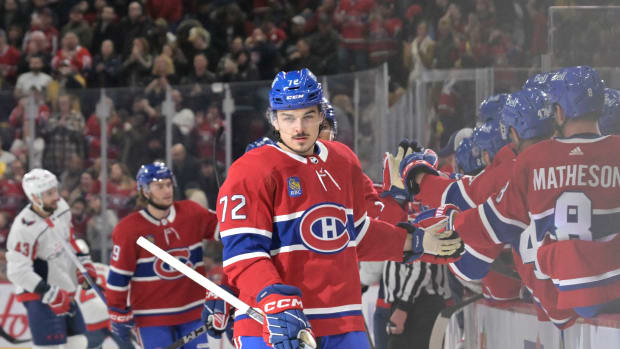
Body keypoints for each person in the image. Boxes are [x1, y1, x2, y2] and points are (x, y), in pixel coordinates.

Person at [217, 69, 462, 348]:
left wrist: (415, 240)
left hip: (344, 321)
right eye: (289, 117)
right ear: (274, 118)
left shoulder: (343, 160)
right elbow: (243, 252)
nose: (299, 128)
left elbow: (358, 234)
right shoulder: (251, 169)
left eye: (308, 116)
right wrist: (273, 297)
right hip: (274, 324)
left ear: (321, 114)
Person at [419, 66, 619, 325]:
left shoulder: (534, 160)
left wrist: (437, 228)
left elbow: (490, 223)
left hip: (571, 295)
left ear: (558, 111)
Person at [105, 162, 219, 349]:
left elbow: (227, 231)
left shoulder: (192, 213)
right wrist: (117, 311)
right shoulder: (128, 229)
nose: (167, 190)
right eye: (159, 186)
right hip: (151, 318)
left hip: (194, 312)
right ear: (145, 191)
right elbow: (118, 278)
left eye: (168, 184)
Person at [6, 168, 94, 349]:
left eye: (55, 190)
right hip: (39, 294)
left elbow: (70, 240)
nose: (56, 196)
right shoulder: (23, 227)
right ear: (36, 197)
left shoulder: (61, 207)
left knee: (78, 342)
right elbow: (17, 271)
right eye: (49, 193)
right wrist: (49, 292)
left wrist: (83, 265)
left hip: (64, 287)